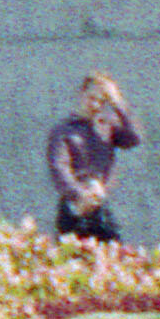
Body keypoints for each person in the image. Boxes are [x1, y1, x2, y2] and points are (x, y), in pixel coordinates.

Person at [46, 73, 140, 243]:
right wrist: (80, 195)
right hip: (76, 206)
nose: (95, 105)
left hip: (99, 204)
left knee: (115, 257)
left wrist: (118, 103)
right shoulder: (64, 130)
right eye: (91, 98)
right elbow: (59, 167)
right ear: (81, 94)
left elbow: (133, 139)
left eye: (101, 101)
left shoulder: (107, 127)